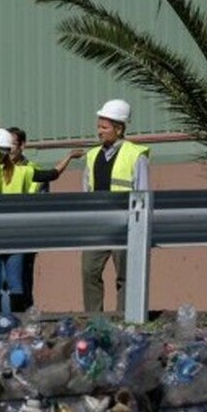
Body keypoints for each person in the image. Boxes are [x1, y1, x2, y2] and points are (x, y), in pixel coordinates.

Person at [81, 98, 150, 312]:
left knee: (126, 275)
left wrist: (138, 226)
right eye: (99, 127)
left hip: (125, 225)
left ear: (119, 129)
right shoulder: (92, 156)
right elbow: (86, 191)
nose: (99, 132)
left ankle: (124, 318)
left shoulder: (135, 155)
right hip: (97, 225)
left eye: (104, 127)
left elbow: (143, 192)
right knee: (89, 271)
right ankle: (94, 319)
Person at [7, 126, 84, 310]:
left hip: (26, 232)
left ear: (22, 146)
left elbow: (49, 182)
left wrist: (68, 157)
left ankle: (25, 310)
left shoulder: (32, 170)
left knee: (24, 274)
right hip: (2, 230)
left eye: (12, 144)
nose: (8, 149)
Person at [0, 128, 27, 312]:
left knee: (2, 283)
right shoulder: (21, 171)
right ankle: (10, 321)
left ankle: (2, 322)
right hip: (11, 233)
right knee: (6, 283)